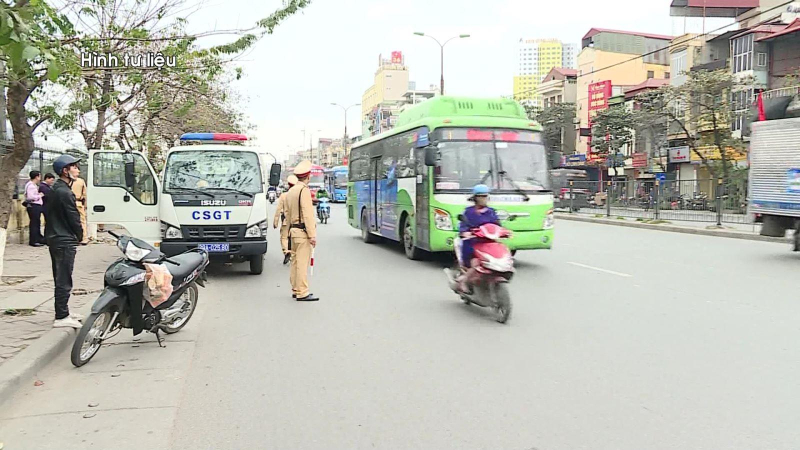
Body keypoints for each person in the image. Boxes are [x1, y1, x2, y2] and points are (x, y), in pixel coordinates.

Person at [46, 155, 85, 329]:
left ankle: (64, 311)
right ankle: (61, 316)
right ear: (65, 170)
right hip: (63, 240)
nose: (77, 170)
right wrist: (80, 234)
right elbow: (73, 218)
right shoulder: (64, 192)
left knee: (60, 276)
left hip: (56, 238)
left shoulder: (57, 188)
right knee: (64, 278)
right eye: (74, 167)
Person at [455, 184, 500, 293]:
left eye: (485, 196)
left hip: (488, 241)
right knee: (476, 263)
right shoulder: (469, 212)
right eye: (480, 196)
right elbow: (463, 225)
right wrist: (465, 232)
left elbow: (497, 225)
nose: (483, 199)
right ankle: (464, 282)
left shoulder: (491, 212)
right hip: (473, 241)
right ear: (475, 198)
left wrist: (503, 232)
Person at [284, 160, 318, 302]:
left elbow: (287, 212)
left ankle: (295, 289)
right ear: (308, 176)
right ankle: (302, 292)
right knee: (302, 263)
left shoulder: (291, 191)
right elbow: (308, 214)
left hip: (293, 231)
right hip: (302, 232)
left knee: (295, 262)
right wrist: (312, 235)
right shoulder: (304, 191)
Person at [273, 174, 297, 265]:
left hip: (286, 220)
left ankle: (286, 251)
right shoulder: (298, 195)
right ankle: (294, 255)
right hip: (296, 221)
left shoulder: (284, 196)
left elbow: (278, 209)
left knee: (284, 237)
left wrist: (275, 222)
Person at [24, 171, 45, 246]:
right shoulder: (31, 186)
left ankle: (38, 238)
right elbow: (31, 197)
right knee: (34, 223)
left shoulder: (33, 185)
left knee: (36, 222)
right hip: (34, 205)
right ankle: (34, 240)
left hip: (36, 205)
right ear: (36, 177)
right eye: (39, 176)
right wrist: (40, 195)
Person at [71, 174, 89, 245]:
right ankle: (84, 238)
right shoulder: (81, 181)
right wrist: (85, 205)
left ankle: (73, 237)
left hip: (69, 203)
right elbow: (84, 194)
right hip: (79, 203)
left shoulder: (67, 182)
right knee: (82, 221)